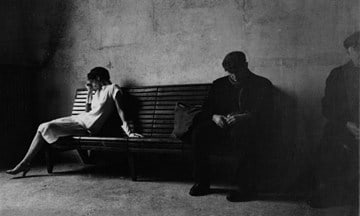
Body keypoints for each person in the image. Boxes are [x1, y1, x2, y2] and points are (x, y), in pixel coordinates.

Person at [6, 67, 142, 177]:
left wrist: (130, 133)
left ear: (98, 79)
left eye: (92, 82)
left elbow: (121, 112)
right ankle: (25, 163)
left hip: (85, 127)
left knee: (44, 127)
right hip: (78, 119)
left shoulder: (113, 89)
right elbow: (88, 110)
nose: (91, 85)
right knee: (43, 126)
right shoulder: (97, 91)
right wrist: (89, 93)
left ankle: (25, 163)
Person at [189, 51, 273, 202]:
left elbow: (268, 113)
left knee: (242, 134)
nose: (234, 77)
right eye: (230, 73)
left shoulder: (262, 84)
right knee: (199, 133)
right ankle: (202, 182)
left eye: (237, 72)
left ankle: (246, 188)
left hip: (250, 127)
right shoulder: (219, 84)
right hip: (223, 126)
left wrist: (246, 117)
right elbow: (206, 109)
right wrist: (215, 117)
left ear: (246, 66)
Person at [311, 32, 359, 207]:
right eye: (356, 49)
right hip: (346, 126)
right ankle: (331, 192)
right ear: (348, 51)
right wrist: (347, 124)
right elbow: (328, 107)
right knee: (329, 142)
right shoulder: (338, 75)